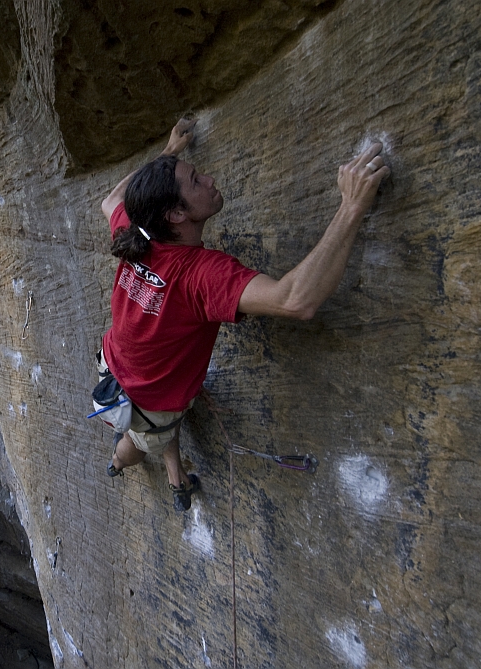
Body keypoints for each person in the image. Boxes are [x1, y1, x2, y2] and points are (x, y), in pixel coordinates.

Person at [98, 118, 390, 512]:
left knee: (175, 400)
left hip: (118, 363)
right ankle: (118, 462)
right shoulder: (202, 276)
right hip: (147, 399)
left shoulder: (137, 231)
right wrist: (352, 206)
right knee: (138, 441)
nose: (210, 178)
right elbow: (294, 299)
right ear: (176, 215)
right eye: (196, 180)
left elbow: (111, 199)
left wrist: (169, 155)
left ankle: (174, 468)